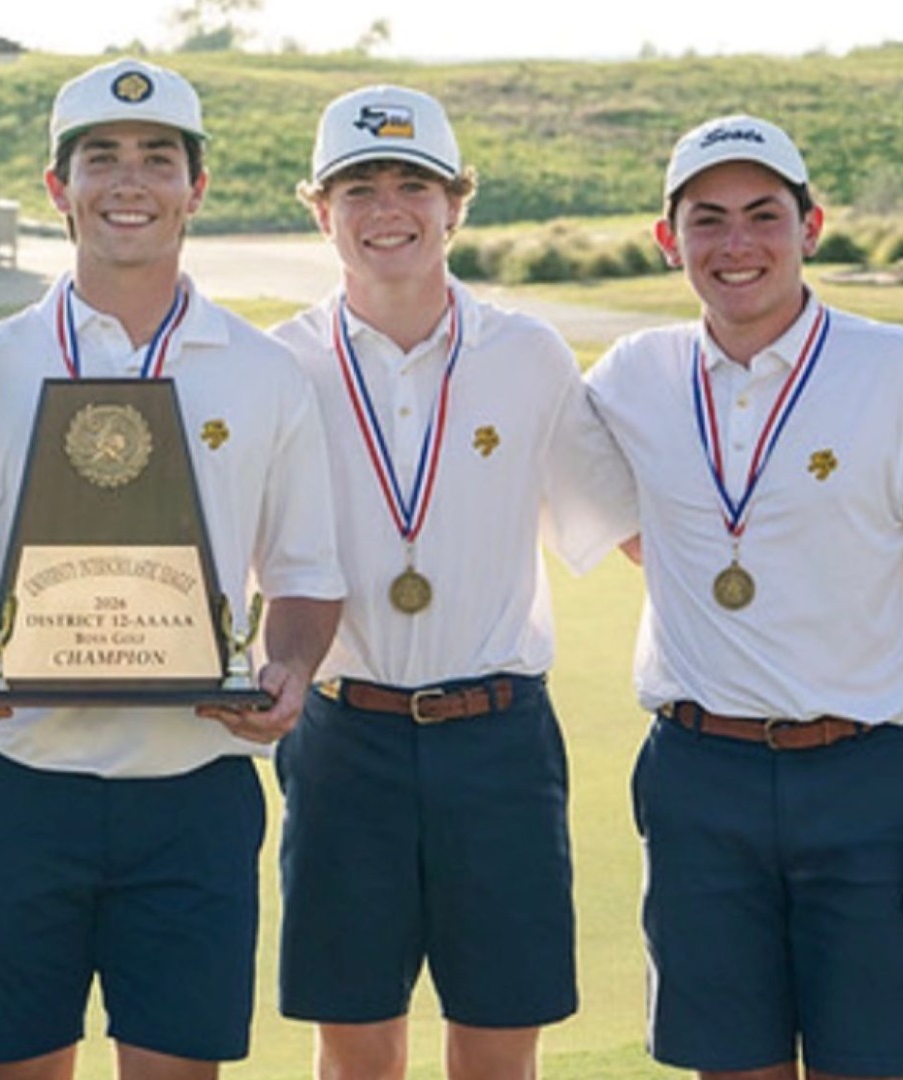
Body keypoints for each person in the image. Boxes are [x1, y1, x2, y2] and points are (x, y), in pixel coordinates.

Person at [0, 57, 345, 1080]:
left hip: (196, 787)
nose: (130, 180)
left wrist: (293, 670)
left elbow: (307, 572)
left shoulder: (266, 375)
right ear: (58, 187)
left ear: (196, 188)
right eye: (101, 158)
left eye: (157, 158)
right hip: (18, 783)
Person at [586, 114, 903, 1080]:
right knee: (731, 1069)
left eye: (763, 215)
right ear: (670, 241)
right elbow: (610, 517)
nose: (736, 244)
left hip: (868, 783)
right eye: (707, 220)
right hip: (700, 776)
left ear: (810, 225)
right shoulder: (631, 377)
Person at [267, 86, 637, 1080]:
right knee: (353, 1048)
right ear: (321, 211)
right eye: (359, 187)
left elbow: (635, 531)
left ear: (455, 205)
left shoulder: (528, 355)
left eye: (412, 185)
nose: (388, 208)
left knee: (499, 1046)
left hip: (498, 738)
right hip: (344, 738)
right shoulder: (272, 367)